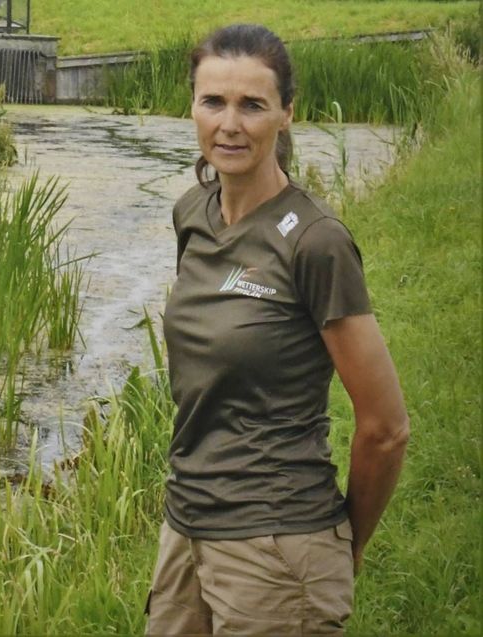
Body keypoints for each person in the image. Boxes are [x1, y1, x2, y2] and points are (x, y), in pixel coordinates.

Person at [147, 24, 410, 635]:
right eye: (213, 101)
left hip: (277, 545)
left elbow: (386, 428)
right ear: (192, 107)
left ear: (287, 114)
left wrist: (346, 545)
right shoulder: (193, 213)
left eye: (252, 105)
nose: (230, 124)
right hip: (185, 529)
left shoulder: (316, 243)